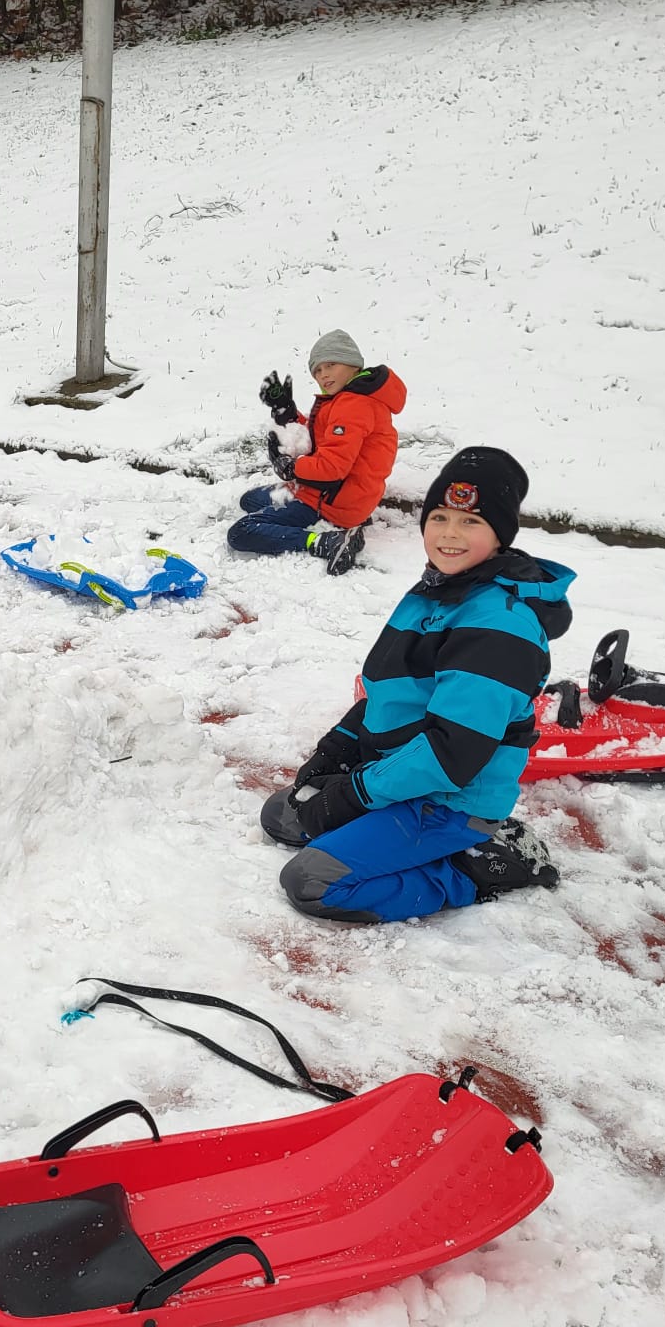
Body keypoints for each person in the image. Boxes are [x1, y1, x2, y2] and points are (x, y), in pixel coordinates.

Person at [261, 448, 572, 922]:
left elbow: (451, 755)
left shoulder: (498, 628)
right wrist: (336, 750)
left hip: (449, 801)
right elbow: (393, 689)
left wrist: (353, 794)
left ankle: (476, 866)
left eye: (471, 522)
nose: (449, 533)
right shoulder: (441, 589)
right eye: (439, 517)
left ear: (500, 535)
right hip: (400, 775)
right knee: (282, 815)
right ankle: (383, 823)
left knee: (313, 882)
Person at [229, 329, 407, 575]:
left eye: (331, 365)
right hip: (331, 493)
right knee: (249, 500)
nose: (323, 375)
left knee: (241, 532)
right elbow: (322, 438)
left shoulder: (354, 405)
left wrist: (292, 468)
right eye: (317, 371)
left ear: (353, 364)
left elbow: (332, 468)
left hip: (332, 502)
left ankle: (325, 541)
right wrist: (288, 413)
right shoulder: (347, 398)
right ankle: (335, 525)